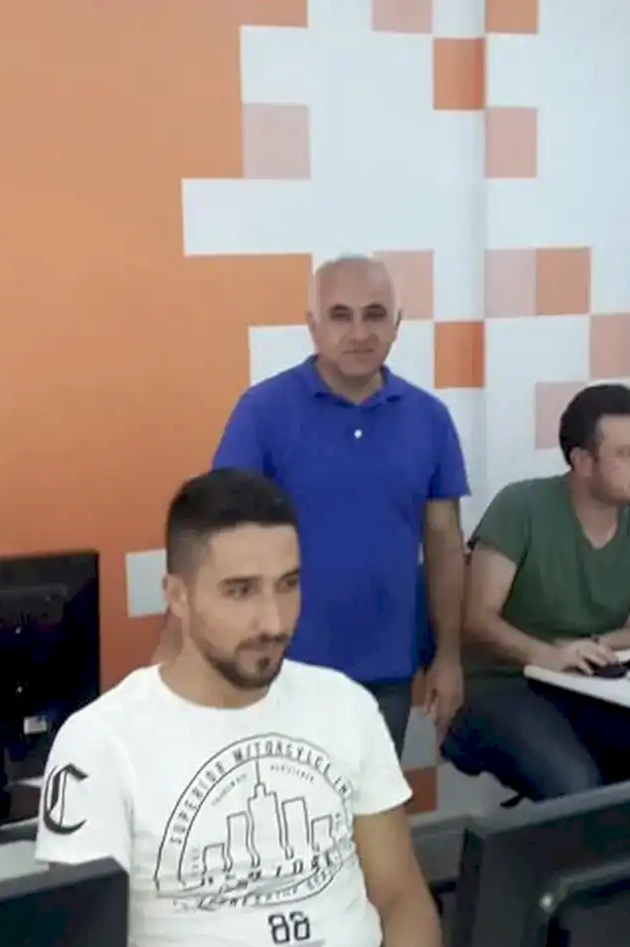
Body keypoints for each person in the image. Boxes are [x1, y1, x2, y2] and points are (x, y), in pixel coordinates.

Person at [36, 469, 443, 947]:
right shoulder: (100, 742)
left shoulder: (344, 705)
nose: (273, 620)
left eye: (289, 584)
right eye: (240, 591)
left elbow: (399, 893)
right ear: (177, 596)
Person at [193, 255, 469, 752]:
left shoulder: (430, 419)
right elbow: (218, 541)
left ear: (397, 325)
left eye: (375, 315)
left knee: (370, 802)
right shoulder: (262, 411)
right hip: (277, 668)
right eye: (341, 316)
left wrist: (448, 655)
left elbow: (445, 545)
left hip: (388, 675)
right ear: (312, 326)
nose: (359, 333)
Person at [449, 384, 630, 800]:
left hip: (593, 683)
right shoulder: (521, 506)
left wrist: (607, 643)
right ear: (583, 462)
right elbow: (478, 620)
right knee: (576, 786)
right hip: (505, 682)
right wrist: (544, 654)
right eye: (628, 454)